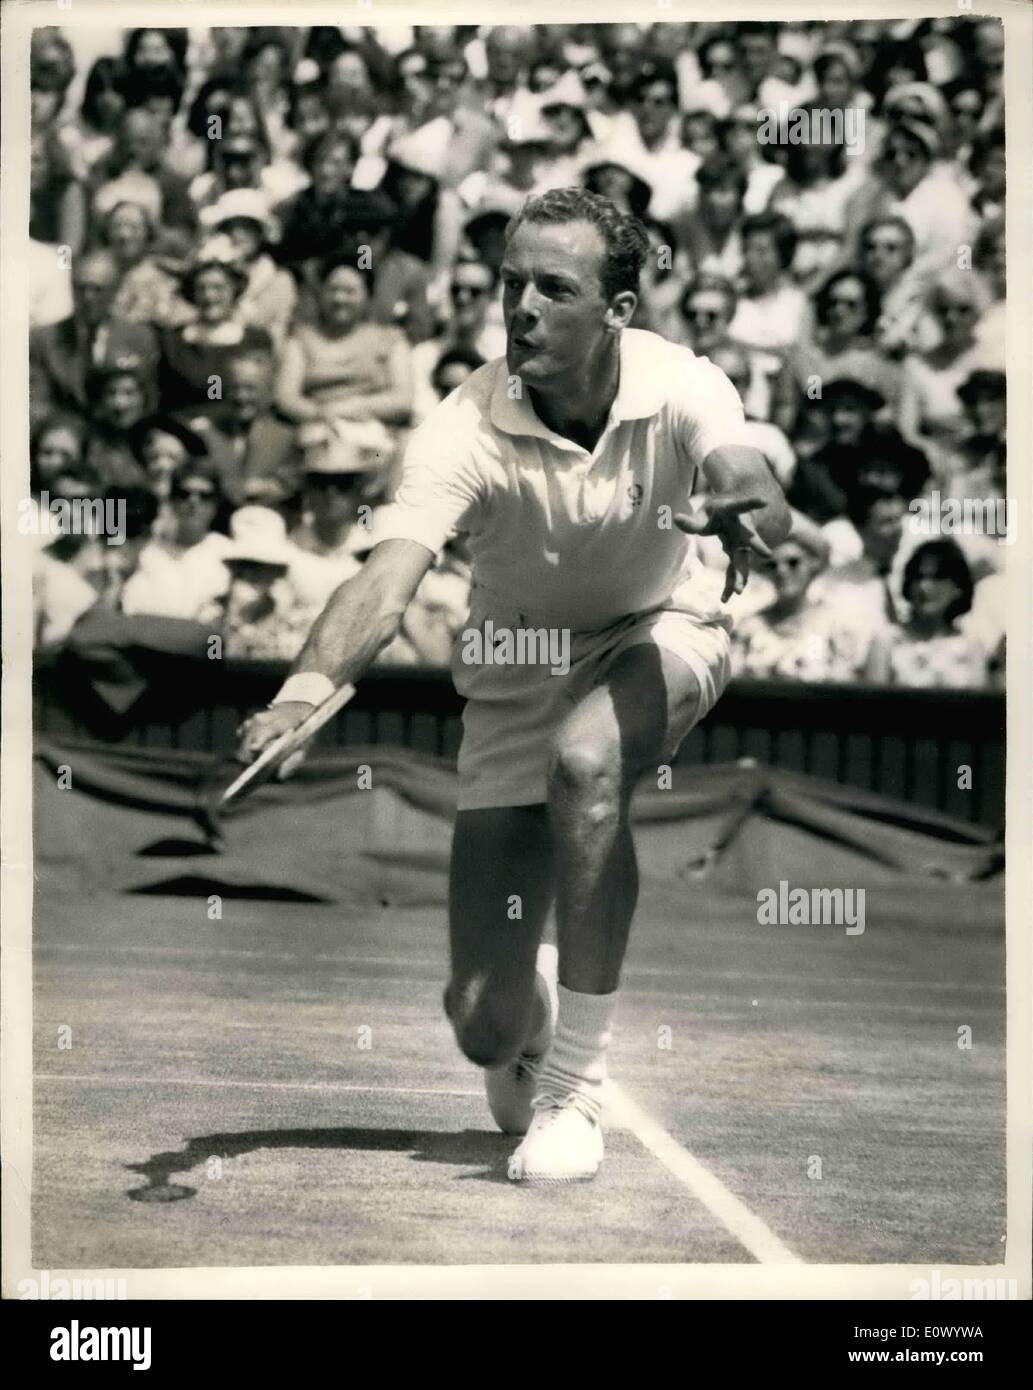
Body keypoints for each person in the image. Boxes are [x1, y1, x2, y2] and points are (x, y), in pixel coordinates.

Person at [237, 187, 789, 1184]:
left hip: (661, 625)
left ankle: (575, 1091)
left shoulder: (682, 383)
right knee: (480, 1027)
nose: (521, 307)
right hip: (515, 668)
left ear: (616, 309)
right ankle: (528, 1020)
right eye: (510, 283)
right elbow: (386, 578)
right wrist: (305, 688)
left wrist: (748, 503)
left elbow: (744, 470)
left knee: (588, 764)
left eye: (553, 287)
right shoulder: (462, 427)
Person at [29, 248, 158, 430]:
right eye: (81, 288)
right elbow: (37, 402)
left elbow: (148, 402)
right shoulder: (44, 339)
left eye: (97, 289)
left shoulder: (141, 337)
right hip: (65, 436)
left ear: (115, 291)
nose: (88, 297)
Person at [863, 540, 987, 689]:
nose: (924, 586)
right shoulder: (886, 643)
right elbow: (870, 706)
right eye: (918, 577)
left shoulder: (970, 646)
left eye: (937, 578)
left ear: (958, 587)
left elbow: (979, 708)